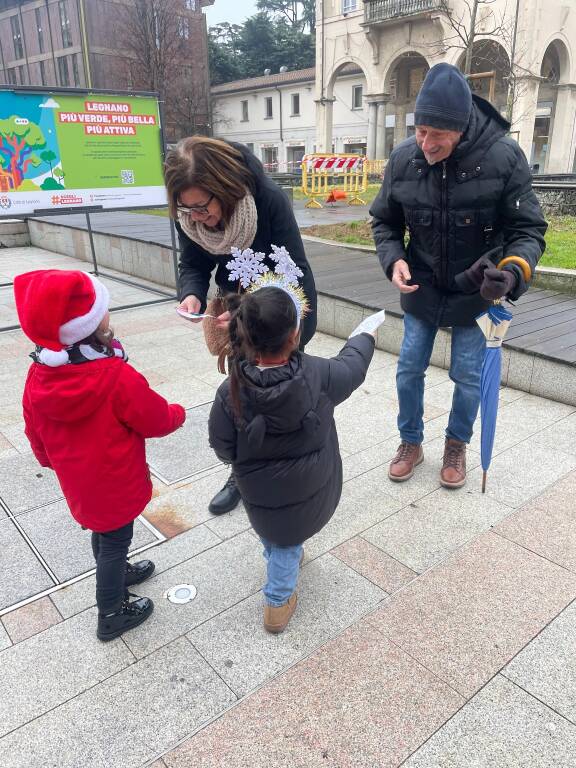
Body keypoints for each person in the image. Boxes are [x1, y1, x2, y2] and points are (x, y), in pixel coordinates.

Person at [370, 63, 547, 489]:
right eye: (421, 130)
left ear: (463, 127)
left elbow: (529, 230)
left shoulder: (504, 156)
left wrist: (512, 271)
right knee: (408, 369)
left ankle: (456, 444)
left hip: (477, 288)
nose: (426, 144)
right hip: (422, 283)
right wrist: (393, 257)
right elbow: (384, 222)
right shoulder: (403, 159)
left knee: (467, 376)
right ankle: (410, 442)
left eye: (438, 135)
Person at [15, 270, 186, 641]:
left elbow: (32, 425)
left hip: (79, 480)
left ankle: (118, 572)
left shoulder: (39, 372)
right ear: (90, 324)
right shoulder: (113, 375)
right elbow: (153, 418)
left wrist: (47, 459)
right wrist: (177, 413)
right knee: (114, 540)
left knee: (104, 532)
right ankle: (111, 612)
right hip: (115, 480)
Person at [164, 137, 317, 518]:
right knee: (242, 398)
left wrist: (288, 332)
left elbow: (294, 272)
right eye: (186, 208)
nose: (196, 217)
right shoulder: (190, 216)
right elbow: (194, 261)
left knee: (284, 396)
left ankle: (297, 466)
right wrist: (192, 294)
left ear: (226, 189)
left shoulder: (267, 201)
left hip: (276, 313)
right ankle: (242, 471)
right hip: (233, 311)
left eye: (202, 207)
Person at [208, 285, 375, 633]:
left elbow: (222, 446)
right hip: (307, 484)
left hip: (258, 489)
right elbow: (353, 367)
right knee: (285, 541)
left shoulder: (231, 389)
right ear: (295, 334)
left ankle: (279, 554)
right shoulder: (319, 374)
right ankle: (277, 603)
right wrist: (364, 334)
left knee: (274, 530)